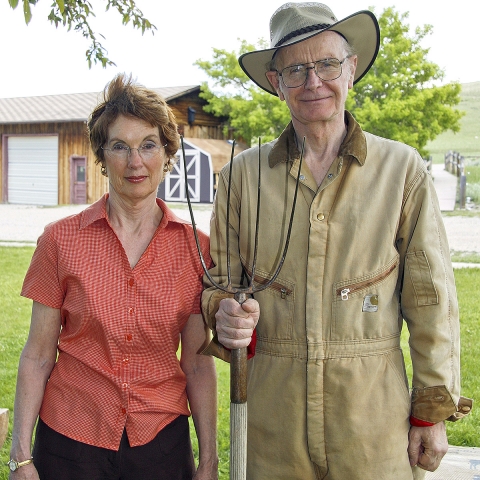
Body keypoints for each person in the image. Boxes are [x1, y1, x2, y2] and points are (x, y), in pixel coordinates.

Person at [201, 3, 472, 479]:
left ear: (350, 70)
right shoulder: (241, 177)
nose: (313, 82)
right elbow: (218, 284)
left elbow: (432, 300)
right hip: (272, 422)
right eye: (296, 69)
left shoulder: (402, 170)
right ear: (275, 81)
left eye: (327, 64)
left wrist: (431, 410)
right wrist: (222, 312)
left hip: (373, 422)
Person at [8, 74, 218, 480]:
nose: (134, 161)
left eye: (148, 145)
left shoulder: (197, 248)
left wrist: (208, 462)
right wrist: (21, 457)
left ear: (167, 153)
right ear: (102, 158)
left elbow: (195, 363)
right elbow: (36, 355)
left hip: (160, 443)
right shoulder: (60, 240)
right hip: (70, 439)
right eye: (119, 146)